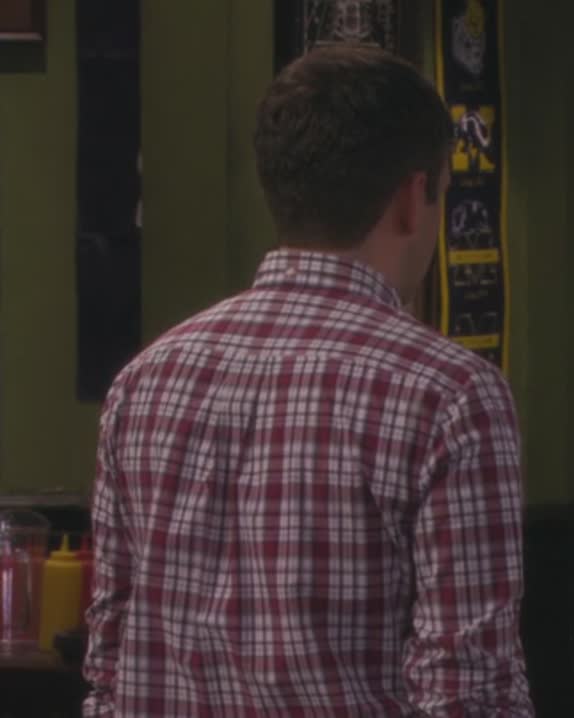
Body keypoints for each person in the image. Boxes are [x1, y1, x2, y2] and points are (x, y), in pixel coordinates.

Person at [83, 44, 534, 716]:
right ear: (413, 199)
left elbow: (109, 665)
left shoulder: (143, 381)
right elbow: (468, 694)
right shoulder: (449, 393)